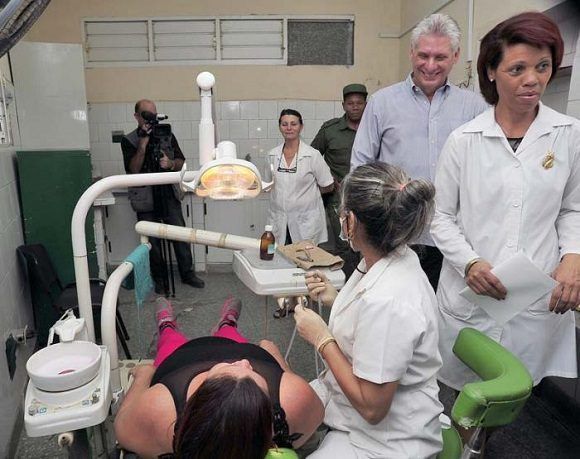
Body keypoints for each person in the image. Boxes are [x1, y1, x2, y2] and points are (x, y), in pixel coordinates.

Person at [431, 10, 579, 420]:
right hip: (473, 293)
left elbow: (573, 207)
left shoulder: (569, 135)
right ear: (491, 72)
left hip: (533, 296)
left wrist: (573, 258)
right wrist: (470, 262)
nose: (533, 79)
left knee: (514, 399)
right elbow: (440, 216)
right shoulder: (464, 140)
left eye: (543, 67)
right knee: (460, 403)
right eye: (518, 69)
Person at [294, 162, 443, 458]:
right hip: (355, 413)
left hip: (385, 442)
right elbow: (371, 324)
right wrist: (336, 298)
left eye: (342, 212)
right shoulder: (390, 258)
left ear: (350, 222)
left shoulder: (388, 299)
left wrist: (322, 339)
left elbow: (372, 408)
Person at [351, 13, 489, 291]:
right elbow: (361, 168)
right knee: (392, 307)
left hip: (455, 240)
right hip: (394, 237)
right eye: (423, 55)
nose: (430, 65)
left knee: (444, 311)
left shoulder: (475, 107)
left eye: (440, 57)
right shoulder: (382, 103)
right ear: (411, 52)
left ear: (455, 56)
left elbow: (487, 171)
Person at [114, 296, 324, 458]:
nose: (244, 362)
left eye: (231, 367)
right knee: (240, 338)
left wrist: (144, 375)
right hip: (246, 351)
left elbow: (122, 426)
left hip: (182, 362)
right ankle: (227, 324)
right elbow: (283, 372)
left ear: (199, 397)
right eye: (253, 374)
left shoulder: (159, 412)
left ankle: (166, 325)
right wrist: (271, 351)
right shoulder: (296, 402)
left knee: (170, 341)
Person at [121, 99, 204, 295]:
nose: (151, 119)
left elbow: (181, 162)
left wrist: (170, 164)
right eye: (146, 115)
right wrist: (143, 144)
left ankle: (187, 274)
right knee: (152, 242)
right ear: (137, 117)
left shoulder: (166, 134)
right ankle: (159, 279)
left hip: (168, 194)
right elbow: (133, 169)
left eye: (154, 114)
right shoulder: (129, 140)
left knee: (180, 235)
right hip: (145, 197)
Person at [311, 84, 368, 279]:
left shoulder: (374, 128)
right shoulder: (330, 130)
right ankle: (347, 286)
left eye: (359, 103)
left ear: (366, 105)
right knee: (344, 245)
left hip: (368, 196)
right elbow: (311, 157)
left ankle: (366, 286)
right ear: (343, 105)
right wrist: (329, 179)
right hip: (338, 198)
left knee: (369, 243)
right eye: (350, 103)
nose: (355, 107)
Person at [267, 109, 334, 247]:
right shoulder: (272, 155)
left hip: (305, 222)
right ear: (279, 127)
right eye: (284, 124)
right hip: (279, 220)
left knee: (305, 257)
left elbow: (328, 185)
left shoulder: (312, 155)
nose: (289, 128)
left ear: (301, 127)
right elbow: (269, 185)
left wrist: (307, 195)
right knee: (278, 255)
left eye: (293, 124)